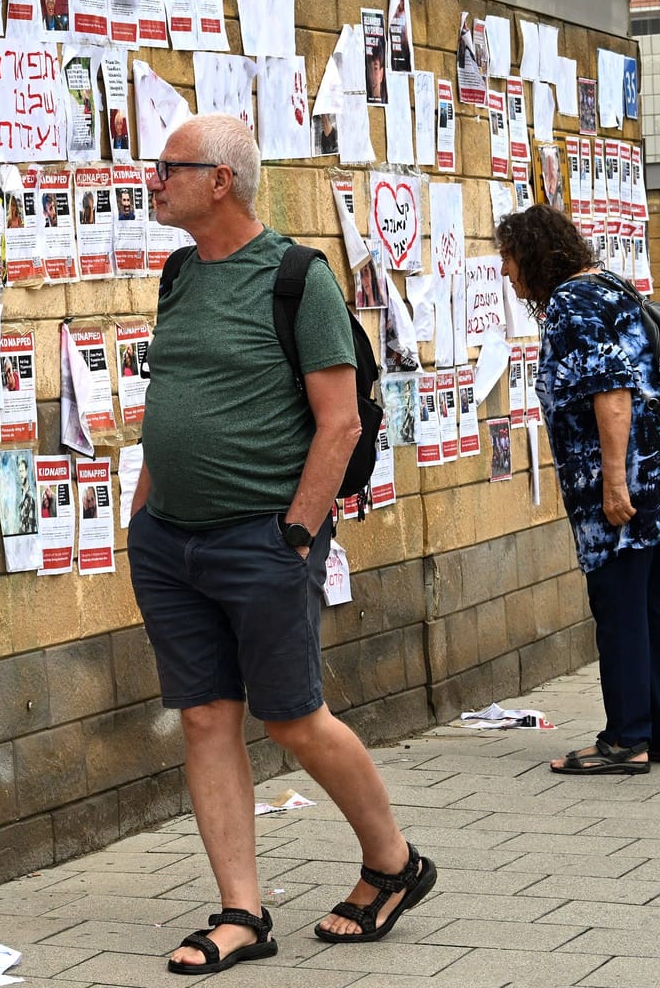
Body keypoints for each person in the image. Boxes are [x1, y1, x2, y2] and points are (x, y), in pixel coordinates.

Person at [130, 115, 433, 973]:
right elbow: (178, 398)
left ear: (220, 181)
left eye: (169, 168)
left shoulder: (300, 278)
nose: (153, 181)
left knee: (294, 718)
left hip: (261, 539)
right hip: (170, 543)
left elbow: (339, 424)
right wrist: (142, 516)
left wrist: (296, 533)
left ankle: (393, 863)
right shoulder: (179, 273)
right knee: (203, 718)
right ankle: (241, 913)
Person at [499, 204, 660, 777]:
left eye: (509, 259)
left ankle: (625, 740)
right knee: (657, 602)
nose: (507, 273)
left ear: (534, 254)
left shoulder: (572, 302)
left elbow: (612, 396)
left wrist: (614, 484)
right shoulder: (610, 285)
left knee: (620, 608)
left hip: (624, 485)